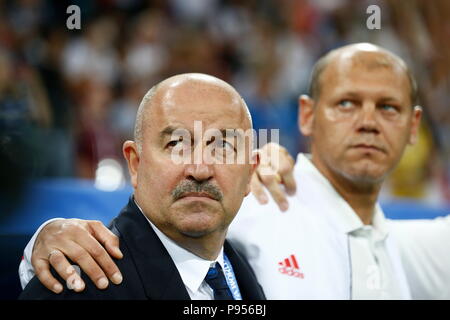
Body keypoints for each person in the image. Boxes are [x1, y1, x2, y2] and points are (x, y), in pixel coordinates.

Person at [20, 43, 450, 299]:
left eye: (388, 107)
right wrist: (44, 240)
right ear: (307, 115)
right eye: (346, 103)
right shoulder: (264, 207)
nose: (368, 122)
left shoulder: (404, 246)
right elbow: (143, 226)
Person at [19, 73, 266, 300]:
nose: (200, 169)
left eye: (223, 147)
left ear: (249, 173)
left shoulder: (246, 270)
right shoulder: (75, 287)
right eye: (177, 144)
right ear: (135, 164)